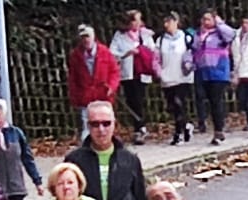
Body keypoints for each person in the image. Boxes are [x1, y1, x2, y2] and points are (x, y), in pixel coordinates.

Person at [65, 102, 149, 200]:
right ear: (88, 126)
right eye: (95, 124)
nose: (101, 129)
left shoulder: (130, 160)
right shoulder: (74, 160)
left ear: (114, 124)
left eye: (106, 123)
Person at [110, 10, 158, 144]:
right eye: (135, 20)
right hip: (128, 72)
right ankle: (139, 126)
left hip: (142, 71)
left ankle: (140, 127)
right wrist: (127, 53)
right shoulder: (119, 36)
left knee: (139, 99)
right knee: (132, 100)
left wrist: (142, 50)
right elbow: (112, 53)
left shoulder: (145, 34)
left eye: (139, 19)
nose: (138, 22)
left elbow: (153, 50)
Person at [67, 29, 121, 138]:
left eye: (87, 36)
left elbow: (114, 72)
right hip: (85, 96)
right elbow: (73, 78)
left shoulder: (104, 52)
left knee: (106, 122)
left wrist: (111, 87)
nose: (85, 40)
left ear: (93, 37)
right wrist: (74, 96)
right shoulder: (76, 55)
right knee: (87, 124)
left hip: (103, 94)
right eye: (83, 37)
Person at [193, 12, 236, 144]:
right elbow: (194, 50)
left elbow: (231, 35)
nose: (205, 22)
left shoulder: (220, 33)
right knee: (206, 100)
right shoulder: (199, 34)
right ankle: (208, 124)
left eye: (208, 19)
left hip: (218, 72)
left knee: (216, 101)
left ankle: (219, 130)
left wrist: (219, 23)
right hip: (203, 72)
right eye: (203, 19)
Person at [156, 12, 196, 144]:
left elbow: (194, 52)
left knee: (180, 103)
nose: (166, 25)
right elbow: (156, 59)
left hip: (183, 77)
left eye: (169, 22)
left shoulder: (186, 37)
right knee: (173, 106)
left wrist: (190, 65)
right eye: (165, 22)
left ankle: (178, 133)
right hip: (167, 77)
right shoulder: (161, 40)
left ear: (176, 22)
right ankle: (186, 126)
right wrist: (159, 72)